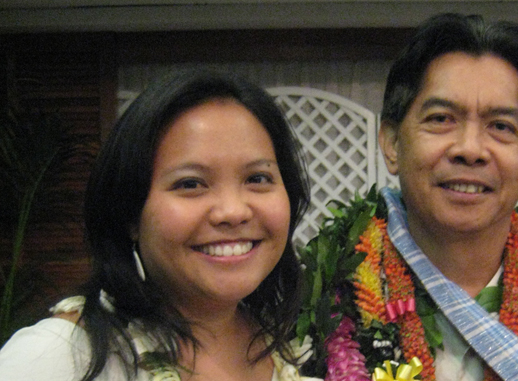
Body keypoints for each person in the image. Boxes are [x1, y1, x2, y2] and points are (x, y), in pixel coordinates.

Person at [296, 12, 518, 381]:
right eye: (442, 118)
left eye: (501, 126)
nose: (470, 149)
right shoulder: (314, 305)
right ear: (392, 142)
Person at [0, 68, 319, 381]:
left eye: (257, 178)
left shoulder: (292, 346)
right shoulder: (59, 357)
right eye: (191, 184)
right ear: (130, 214)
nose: (233, 211)